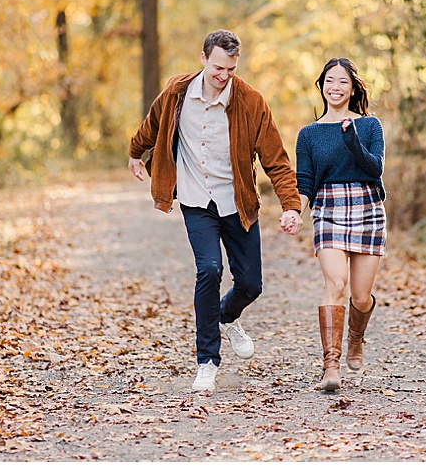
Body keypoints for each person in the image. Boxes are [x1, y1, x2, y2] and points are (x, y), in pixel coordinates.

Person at [128, 29, 303, 396]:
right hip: (196, 200)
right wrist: (134, 152)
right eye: (219, 68)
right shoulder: (177, 93)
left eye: (232, 69)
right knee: (208, 269)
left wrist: (291, 206)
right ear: (204, 58)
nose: (225, 76)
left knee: (251, 284)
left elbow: (277, 160)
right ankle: (207, 361)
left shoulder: (251, 102)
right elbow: (153, 124)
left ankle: (227, 316)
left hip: (237, 204)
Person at [294, 55, 386, 391]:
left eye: (342, 81)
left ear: (352, 88)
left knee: (361, 296)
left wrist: (352, 140)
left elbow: (374, 167)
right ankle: (330, 367)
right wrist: (295, 211)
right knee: (336, 284)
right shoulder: (308, 134)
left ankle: (355, 340)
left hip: (367, 206)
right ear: (321, 86)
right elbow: (304, 181)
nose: (335, 87)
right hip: (329, 208)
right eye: (329, 81)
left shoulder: (370, 125)